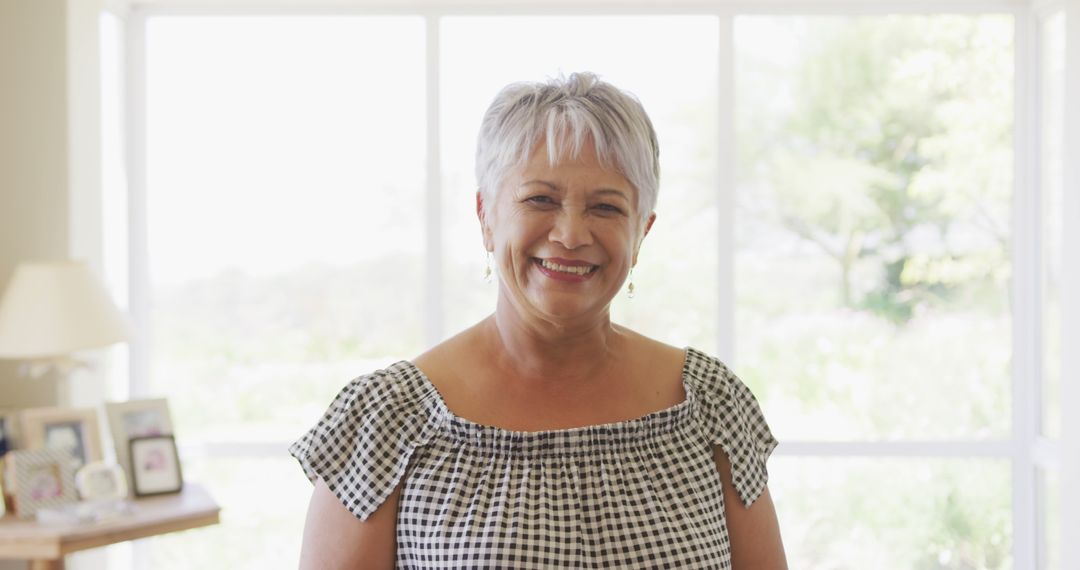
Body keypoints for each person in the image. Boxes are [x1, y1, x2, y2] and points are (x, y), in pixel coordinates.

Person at [290, 72, 787, 569]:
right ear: (485, 214)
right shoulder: (385, 422)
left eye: (606, 207)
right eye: (540, 199)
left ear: (642, 233)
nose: (570, 234)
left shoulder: (712, 406)